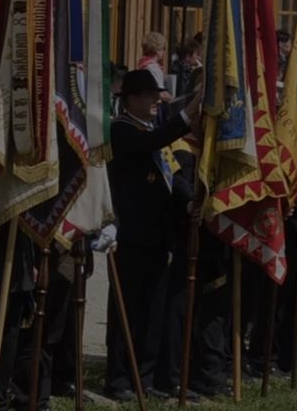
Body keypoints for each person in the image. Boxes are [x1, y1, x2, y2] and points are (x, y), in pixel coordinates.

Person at [103, 70, 201, 401]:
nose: (157, 101)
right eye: (149, 96)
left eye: (158, 95)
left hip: (159, 236)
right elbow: (151, 145)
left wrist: (189, 201)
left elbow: (170, 173)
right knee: (126, 311)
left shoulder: (152, 131)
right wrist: (189, 113)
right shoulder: (121, 130)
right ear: (131, 99)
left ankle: (143, 377)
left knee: (153, 311)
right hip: (131, 235)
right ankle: (118, 379)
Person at [137, 32, 173, 102]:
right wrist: (173, 100)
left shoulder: (143, 64)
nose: (164, 52)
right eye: (163, 49)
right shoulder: (153, 68)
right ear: (158, 50)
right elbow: (160, 92)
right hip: (153, 103)